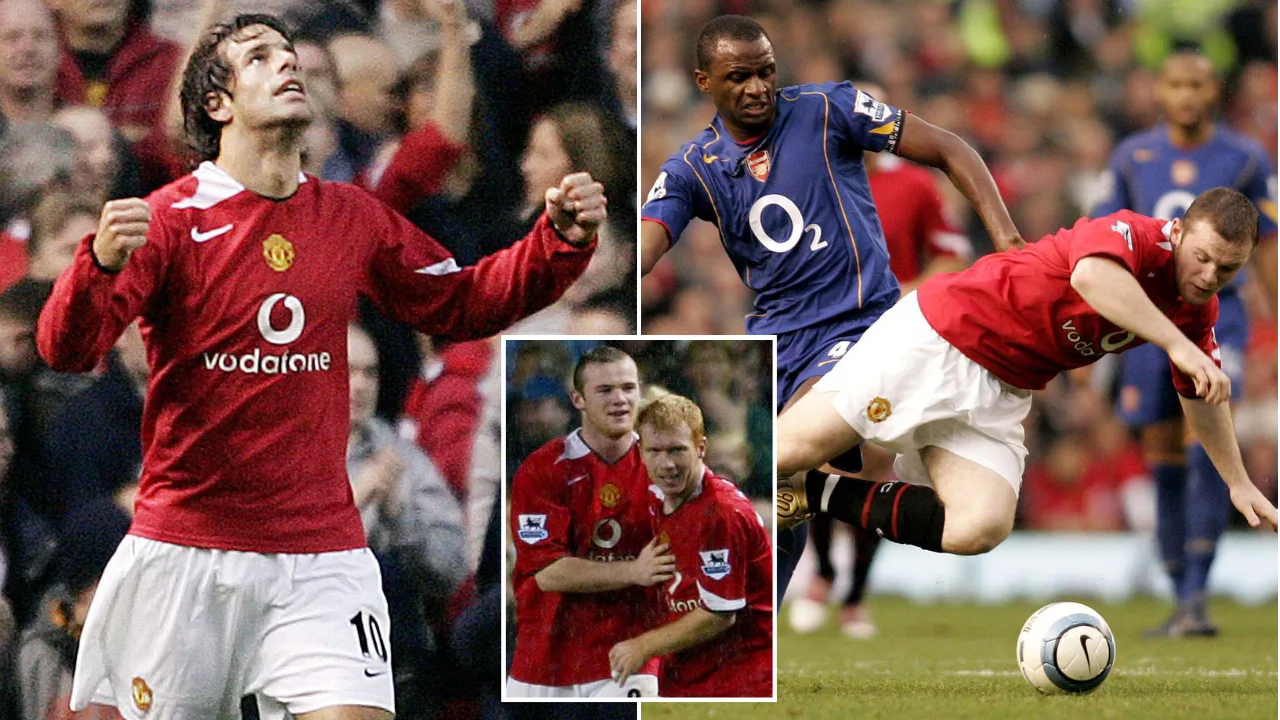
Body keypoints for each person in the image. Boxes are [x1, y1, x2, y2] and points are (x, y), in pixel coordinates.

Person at [36, 13, 603, 719]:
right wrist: (97, 265)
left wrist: (556, 244)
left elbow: (458, 301)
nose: (285, 64)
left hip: (321, 555)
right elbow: (65, 350)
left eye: (287, 53)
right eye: (258, 57)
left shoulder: (350, 215)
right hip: (189, 550)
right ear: (218, 104)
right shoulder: (170, 219)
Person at [639, 15, 1022, 598]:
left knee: (780, 458)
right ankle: (753, 613)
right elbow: (644, 247)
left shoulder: (827, 109)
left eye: (765, 72)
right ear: (703, 81)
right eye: (738, 77)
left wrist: (1009, 240)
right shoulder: (693, 166)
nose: (757, 87)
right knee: (771, 482)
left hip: (859, 327)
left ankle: (794, 602)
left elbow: (948, 147)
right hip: (777, 342)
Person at [775, 189, 1280, 569]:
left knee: (980, 525)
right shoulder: (1135, 235)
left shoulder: (1198, 309)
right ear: (1178, 232)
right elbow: (1091, 277)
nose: (1209, 276)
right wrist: (1177, 345)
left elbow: (1201, 396)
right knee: (780, 453)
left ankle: (810, 494)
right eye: (1203, 257)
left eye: (1227, 269)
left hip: (1001, 388)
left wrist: (1237, 483)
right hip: (940, 337)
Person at [1092, 47, 1278, 637]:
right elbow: (1103, 237)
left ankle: (1196, 593)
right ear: (1160, 90)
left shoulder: (1246, 156)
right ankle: (1182, 598)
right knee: (1165, 455)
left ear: (1213, 89)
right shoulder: (1132, 154)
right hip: (1144, 325)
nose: (1187, 96)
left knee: (1208, 447)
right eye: (1176, 84)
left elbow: (1268, 243)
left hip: (1222, 322)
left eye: (1197, 84)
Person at [791, 79, 974, 639]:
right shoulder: (806, 180)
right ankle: (820, 574)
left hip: (894, 341)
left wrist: (903, 295)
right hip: (822, 338)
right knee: (813, 459)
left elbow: (950, 258)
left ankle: (854, 595)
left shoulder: (915, 185)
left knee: (873, 466)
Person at [507, 345, 673, 698]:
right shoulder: (542, 469)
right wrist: (633, 571)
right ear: (578, 399)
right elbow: (549, 572)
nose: (620, 400)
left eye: (628, 388)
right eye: (605, 390)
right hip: (545, 662)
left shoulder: (666, 468)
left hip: (632, 659)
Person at [608, 394, 773, 698]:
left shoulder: (720, 513)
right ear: (640, 452)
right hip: (688, 672)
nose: (666, 464)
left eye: (677, 450)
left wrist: (643, 645)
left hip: (736, 681)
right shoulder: (661, 499)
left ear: (701, 448)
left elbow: (719, 614)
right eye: (654, 451)